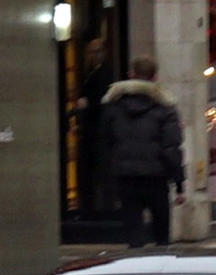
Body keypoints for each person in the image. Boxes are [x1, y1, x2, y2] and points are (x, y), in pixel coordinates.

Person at [102, 56, 186, 248]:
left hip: (125, 176)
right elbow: (172, 148)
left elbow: (105, 142)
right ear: (155, 77)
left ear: (131, 76)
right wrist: (179, 184)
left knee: (133, 231)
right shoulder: (166, 109)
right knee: (162, 233)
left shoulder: (114, 107)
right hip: (156, 176)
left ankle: (135, 264)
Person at [73, 38, 116, 212]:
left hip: (100, 133)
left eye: (97, 51)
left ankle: (101, 208)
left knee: (101, 173)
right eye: (91, 51)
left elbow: (104, 101)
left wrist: (87, 104)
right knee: (90, 174)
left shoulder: (105, 74)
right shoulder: (90, 73)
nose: (93, 55)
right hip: (91, 131)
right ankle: (90, 207)